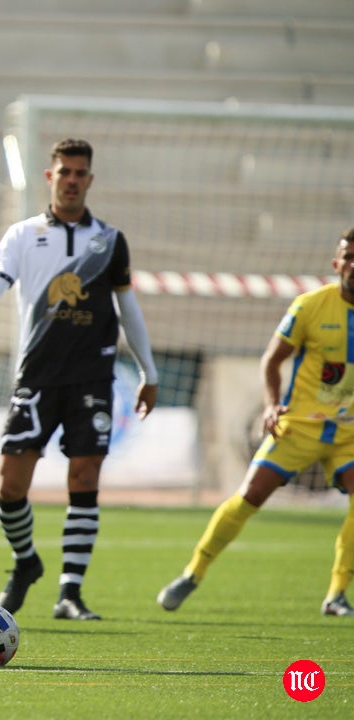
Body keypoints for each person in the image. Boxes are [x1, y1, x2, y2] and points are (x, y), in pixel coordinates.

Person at [0, 137, 159, 621]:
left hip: (92, 378)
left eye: (80, 173)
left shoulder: (110, 240)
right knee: (9, 486)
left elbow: (128, 306)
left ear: (89, 180)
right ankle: (25, 562)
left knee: (84, 478)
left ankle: (70, 593)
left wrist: (149, 370)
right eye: (65, 172)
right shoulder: (22, 235)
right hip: (35, 376)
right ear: (50, 177)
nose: (72, 180)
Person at [158, 229, 354, 617]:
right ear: (336, 264)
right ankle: (192, 573)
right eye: (349, 256)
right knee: (249, 496)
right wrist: (270, 405)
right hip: (299, 424)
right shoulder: (310, 305)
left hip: (349, 432)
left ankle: (336, 593)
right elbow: (272, 359)